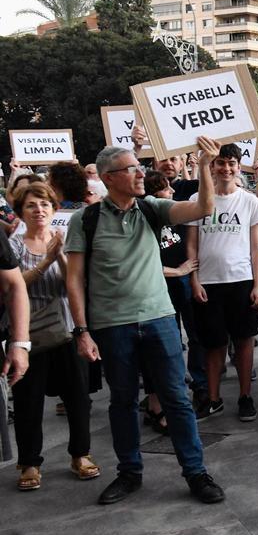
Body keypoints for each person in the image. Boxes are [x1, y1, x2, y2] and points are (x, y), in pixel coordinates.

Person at [66, 138, 225, 505]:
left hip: (159, 318)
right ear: (108, 178)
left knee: (177, 400)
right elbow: (73, 278)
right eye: (132, 168)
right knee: (122, 401)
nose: (141, 173)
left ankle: (196, 473)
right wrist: (82, 330)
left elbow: (203, 207)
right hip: (111, 325)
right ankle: (129, 473)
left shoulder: (152, 208)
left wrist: (203, 165)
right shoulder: (86, 220)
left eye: (140, 166)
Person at [10, 182, 93, 491]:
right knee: (28, 401)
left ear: (53, 209)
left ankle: (80, 455)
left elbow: (74, 282)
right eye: (32, 205)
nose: (39, 210)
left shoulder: (64, 239)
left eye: (44, 204)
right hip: (29, 333)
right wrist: (46, 260)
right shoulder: (15, 245)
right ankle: (29, 463)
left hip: (67, 330)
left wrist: (58, 255)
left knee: (78, 396)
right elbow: (14, 286)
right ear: (21, 211)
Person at [187, 144, 258, 422]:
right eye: (220, 163)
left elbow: (256, 248)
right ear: (212, 166)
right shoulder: (199, 199)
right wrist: (194, 281)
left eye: (231, 163)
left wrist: (257, 285)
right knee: (213, 344)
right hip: (209, 283)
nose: (226, 168)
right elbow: (192, 245)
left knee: (245, 341)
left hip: (241, 280)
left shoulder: (249, 202)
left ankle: (245, 396)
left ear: (238, 165)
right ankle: (213, 399)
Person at [142, 171, 206, 417]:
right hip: (160, 287)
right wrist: (176, 271)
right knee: (165, 342)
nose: (171, 193)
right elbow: (144, 262)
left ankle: (199, 385)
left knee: (195, 335)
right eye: (166, 190)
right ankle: (166, 393)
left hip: (185, 283)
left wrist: (188, 274)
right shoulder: (147, 220)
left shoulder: (175, 215)